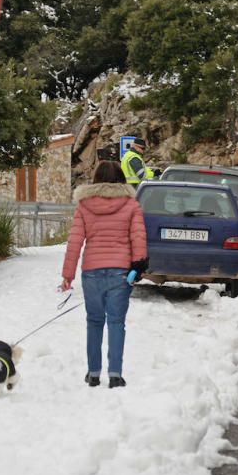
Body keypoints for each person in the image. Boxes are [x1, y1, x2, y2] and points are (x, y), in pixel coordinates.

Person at [61, 160, 148, 388]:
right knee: (117, 323)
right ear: (121, 179)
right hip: (121, 272)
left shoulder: (84, 205)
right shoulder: (131, 205)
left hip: (91, 271)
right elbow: (138, 238)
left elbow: (75, 241)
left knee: (94, 322)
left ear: (96, 179)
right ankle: (116, 374)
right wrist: (138, 266)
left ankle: (93, 373)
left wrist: (67, 275)